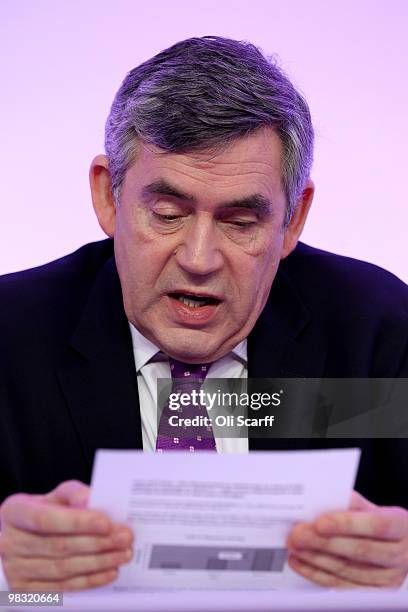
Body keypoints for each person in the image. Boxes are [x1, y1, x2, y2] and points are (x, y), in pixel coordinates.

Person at [0, 36, 407, 591]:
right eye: (167, 214)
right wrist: (12, 582)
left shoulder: (376, 331)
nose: (198, 260)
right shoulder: (10, 336)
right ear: (108, 197)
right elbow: (21, 592)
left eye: (241, 223)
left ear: (292, 219)